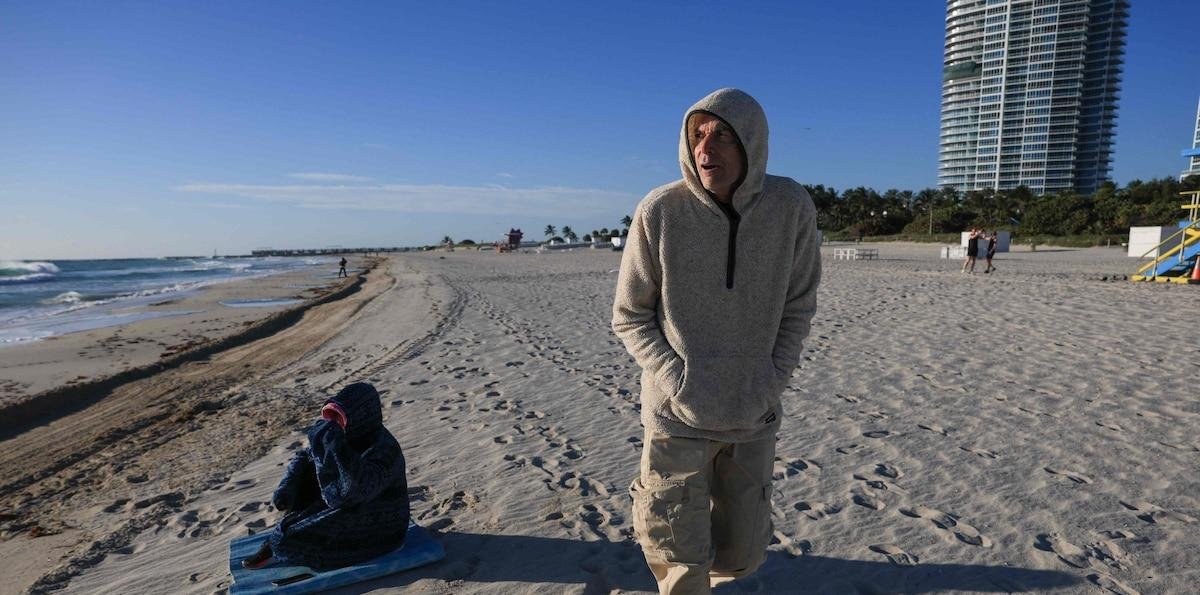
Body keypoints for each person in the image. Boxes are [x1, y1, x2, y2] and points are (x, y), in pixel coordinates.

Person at [611, 88, 821, 594]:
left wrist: (774, 378)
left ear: (752, 140)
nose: (706, 150)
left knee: (743, 554)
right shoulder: (660, 210)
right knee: (678, 560)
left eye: (723, 135)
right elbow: (629, 315)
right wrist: (676, 376)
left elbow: (798, 305)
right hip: (676, 416)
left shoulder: (790, 206)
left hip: (753, 413)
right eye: (697, 135)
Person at [242, 382, 410, 570]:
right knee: (305, 477)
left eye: (340, 418)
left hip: (383, 525)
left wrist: (333, 446)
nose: (336, 424)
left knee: (287, 542)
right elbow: (306, 456)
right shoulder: (351, 435)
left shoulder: (384, 450)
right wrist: (289, 486)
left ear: (360, 417)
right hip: (350, 504)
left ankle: (282, 544)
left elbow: (350, 493)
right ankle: (286, 533)